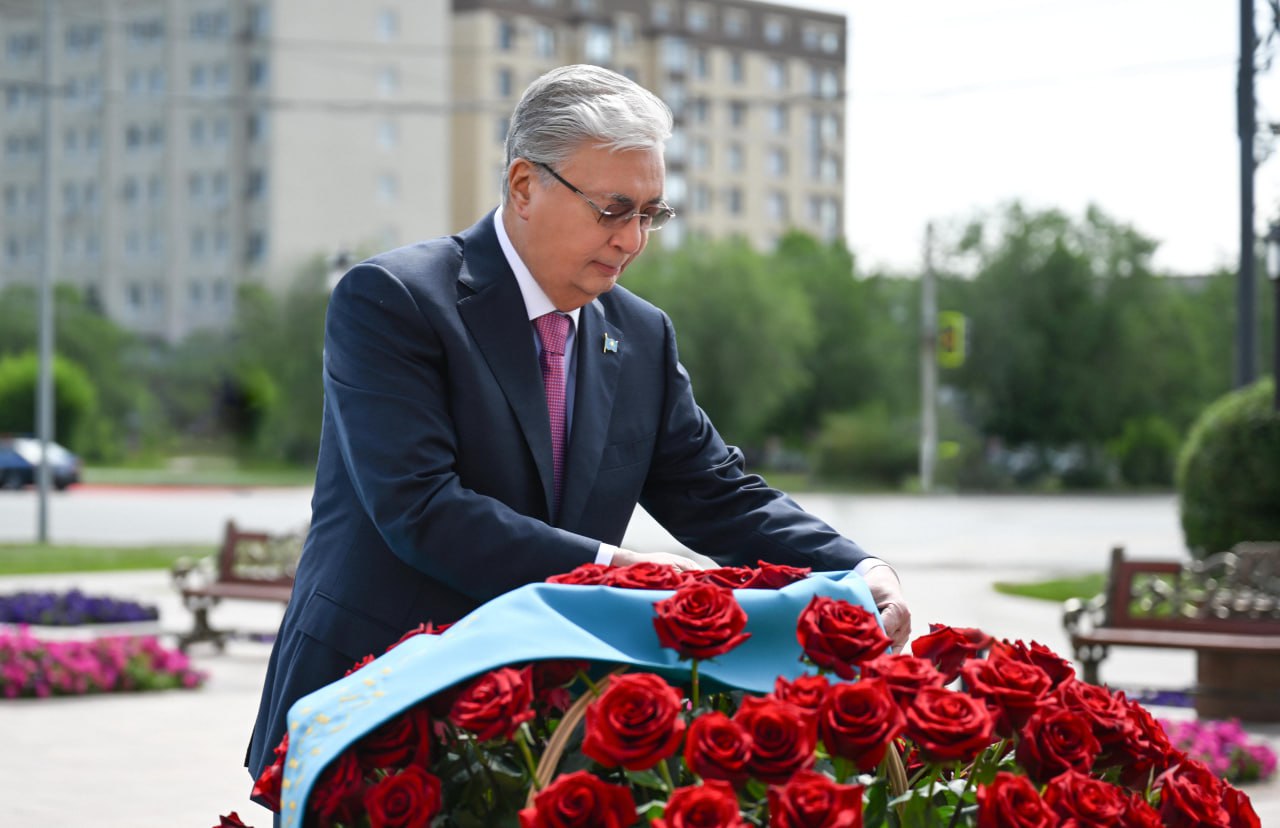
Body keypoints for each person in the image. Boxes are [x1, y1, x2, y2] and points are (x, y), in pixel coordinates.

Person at [247, 64, 910, 784]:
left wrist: (857, 569)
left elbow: (717, 492)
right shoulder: (393, 300)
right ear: (523, 187)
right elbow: (420, 509)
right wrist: (619, 572)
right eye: (613, 209)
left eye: (650, 213)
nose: (633, 240)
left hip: (539, 732)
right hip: (376, 703)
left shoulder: (643, 335)